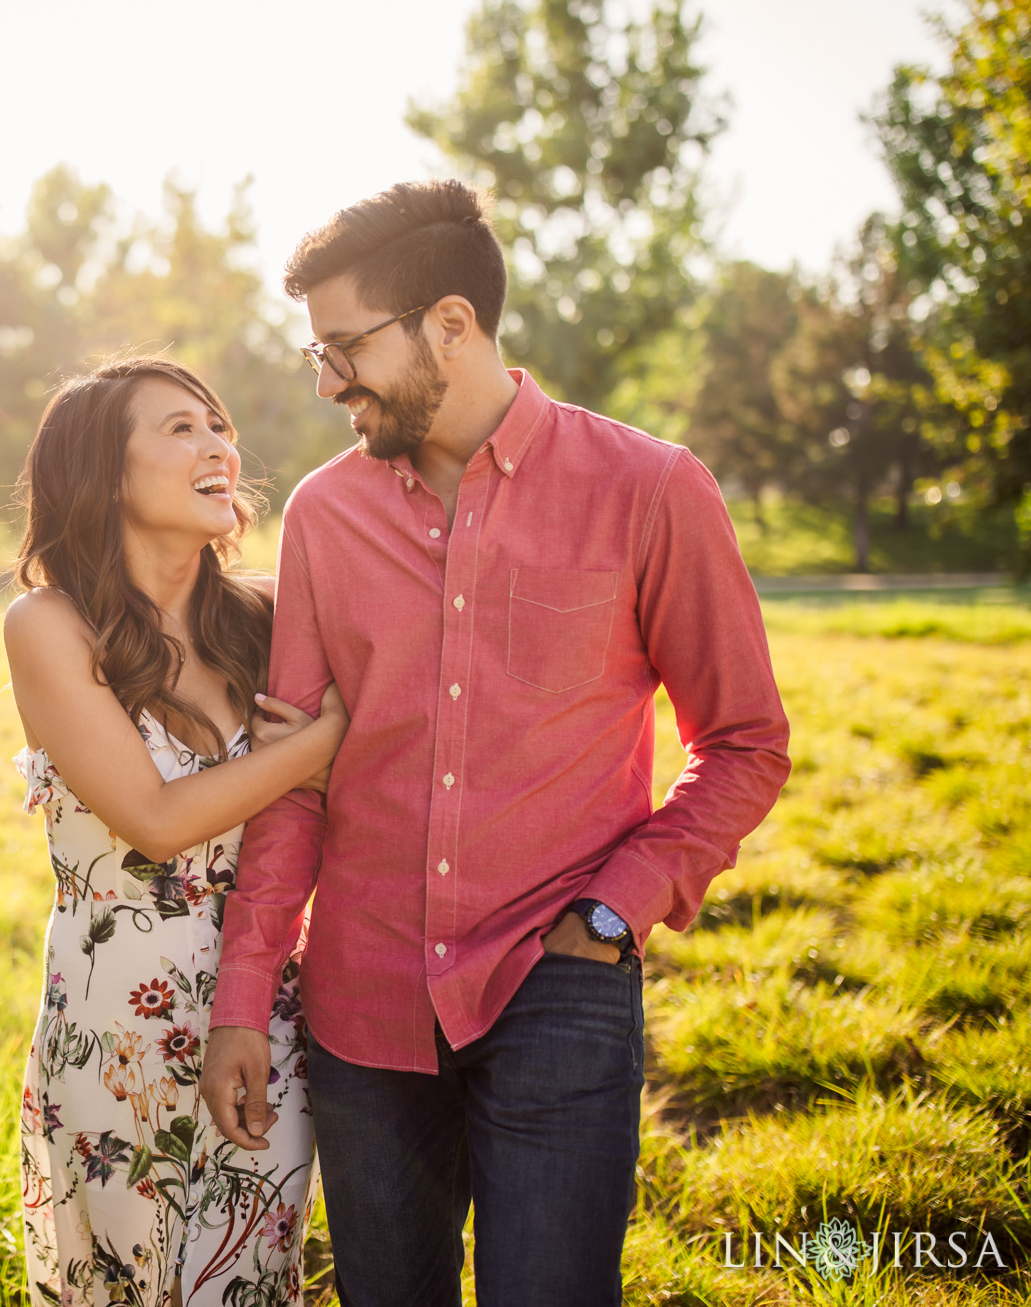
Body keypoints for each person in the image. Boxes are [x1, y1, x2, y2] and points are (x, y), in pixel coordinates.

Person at [199, 181, 791, 1307]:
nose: (325, 383)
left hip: (554, 976)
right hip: (361, 997)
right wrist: (243, 991)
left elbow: (744, 741)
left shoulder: (650, 489)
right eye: (313, 352)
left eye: (343, 348)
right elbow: (291, 782)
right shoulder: (324, 516)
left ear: (450, 323)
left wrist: (615, 908)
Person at [5, 357, 347, 1306]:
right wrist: (319, 744)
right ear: (104, 471)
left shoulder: (270, 613)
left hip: (263, 1008)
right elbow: (153, 821)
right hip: (115, 1029)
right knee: (123, 1283)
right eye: (180, 429)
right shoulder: (49, 625)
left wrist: (332, 755)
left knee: (247, 1280)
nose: (218, 447)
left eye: (220, 426)